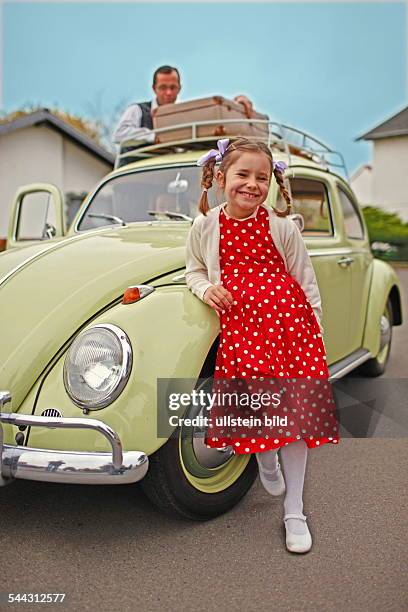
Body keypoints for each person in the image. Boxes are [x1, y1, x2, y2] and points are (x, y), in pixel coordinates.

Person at [185, 138, 340, 554]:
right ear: (220, 177)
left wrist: (317, 334)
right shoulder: (205, 225)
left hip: (291, 331)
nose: (252, 184)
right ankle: (265, 460)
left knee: (294, 420)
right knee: (258, 411)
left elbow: (305, 281)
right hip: (244, 333)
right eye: (242, 174)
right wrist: (206, 290)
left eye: (262, 177)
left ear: (272, 183)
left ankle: (294, 510)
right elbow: (194, 270)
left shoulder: (282, 226)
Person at [113, 64, 255, 166]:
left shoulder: (184, 117)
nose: (168, 92)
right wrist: (155, 137)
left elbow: (208, 128)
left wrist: (237, 103)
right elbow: (119, 134)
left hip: (165, 178)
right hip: (131, 181)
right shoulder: (137, 110)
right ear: (154, 89)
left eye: (173, 87)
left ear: (179, 88)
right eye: (163, 87)